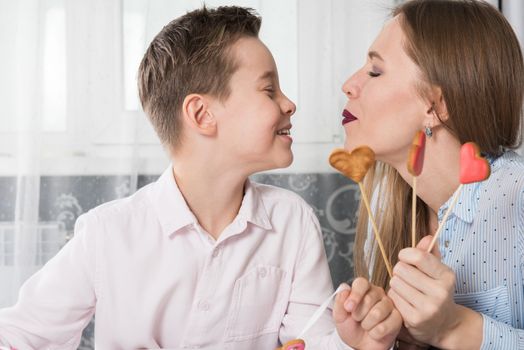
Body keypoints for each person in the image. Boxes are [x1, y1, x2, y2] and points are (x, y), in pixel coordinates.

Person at [0, 6, 402, 350]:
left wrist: (352, 343)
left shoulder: (292, 221)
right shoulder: (107, 233)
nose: (289, 103)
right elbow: (18, 335)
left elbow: (312, 339)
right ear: (202, 115)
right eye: (269, 89)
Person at [340, 0, 524, 348]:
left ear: (436, 106)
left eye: (375, 72)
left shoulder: (518, 198)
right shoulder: (384, 209)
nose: (349, 85)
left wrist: (453, 328)